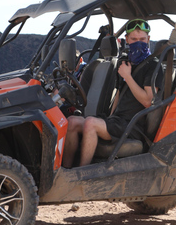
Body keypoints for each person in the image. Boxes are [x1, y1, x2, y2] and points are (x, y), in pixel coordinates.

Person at [62, 19, 162, 168]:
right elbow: (119, 96)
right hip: (117, 121)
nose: (138, 43)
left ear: (148, 39)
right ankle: (65, 171)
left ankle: (81, 175)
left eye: (142, 39)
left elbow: (148, 101)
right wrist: (109, 118)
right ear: (127, 40)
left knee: (90, 123)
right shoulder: (126, 62)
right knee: (72, 121)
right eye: (134, 39)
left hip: (133, 125)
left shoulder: (153, 66)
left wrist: (127, 77)